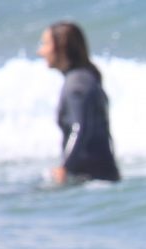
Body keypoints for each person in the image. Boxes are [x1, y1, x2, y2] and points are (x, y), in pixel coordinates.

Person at [38, 22, 121, 184]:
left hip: (93, 181)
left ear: (61, 47)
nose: (41, 51)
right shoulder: (83, 78)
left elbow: (80, 128)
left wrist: (65, 168)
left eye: (46, 44)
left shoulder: (77, 84)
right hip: (100, 178)